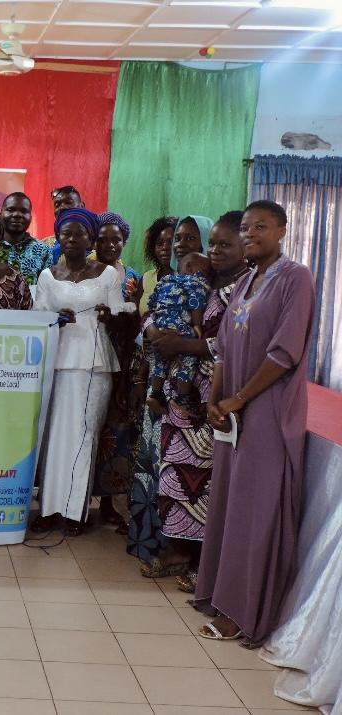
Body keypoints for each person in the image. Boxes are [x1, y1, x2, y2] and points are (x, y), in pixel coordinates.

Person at [194, 201, 315, 647]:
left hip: (267, 409)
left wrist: (240, 399)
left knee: (254, 509)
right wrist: (215, 399)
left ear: (282, 231)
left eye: (260, 227)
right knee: (227, 502)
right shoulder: (244, 281)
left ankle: (245, 613)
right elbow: (224, 348)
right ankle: (219, 595)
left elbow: (284, 353)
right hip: (232, 410)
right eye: (245, 228)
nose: (250, 235)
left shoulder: (295, 278)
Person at [143, 211, 249, 593]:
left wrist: (184, 344)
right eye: (215, 244)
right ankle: (176, 549)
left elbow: (237, 343)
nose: (216, 251)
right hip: (177, 395)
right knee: (174, 473)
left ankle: (205, 559)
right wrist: (154, 328)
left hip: (213, 399)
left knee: (206, 481)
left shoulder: (245, 289)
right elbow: (158, 312)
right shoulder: (197, 278)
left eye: (224, 244)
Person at [30, 207, 135, 536]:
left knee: (83, 435)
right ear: (58, 238)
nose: (72, 239)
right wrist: (53, 317)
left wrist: (110, 314)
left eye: (79, 234)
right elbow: (36, 316)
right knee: (53, 435)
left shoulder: (107, 275)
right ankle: (48, 508)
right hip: (57, 359)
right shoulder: (47, 276)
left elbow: (124, 310)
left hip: (94, 362)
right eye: (66, 234)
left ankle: (76, 512)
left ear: (91, 238)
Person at [131, 213, 212, 576]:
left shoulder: (218, 286)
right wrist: (151, 332)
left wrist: (181, 341)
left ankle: (196, 559)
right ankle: (159, 545)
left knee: (195, 482)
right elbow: (147, 320)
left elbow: (216, 336)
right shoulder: (164, 281)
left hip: (201, 395)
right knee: (163, 474)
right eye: (178, 237)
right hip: (163, 390)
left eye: (190, 238)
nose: (180, 244)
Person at [126, 216, 180, 564]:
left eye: (173, 241)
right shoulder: (146, 280)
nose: (167, 248)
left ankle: (171, 541)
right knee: (144, 456)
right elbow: (143, 325)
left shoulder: (193, 280)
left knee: (169, 461)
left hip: (177, 379)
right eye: (160, 242)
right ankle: (143, 537)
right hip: (145, 370)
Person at [92, 211, 142, 530]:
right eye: (103, 239)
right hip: (92, 355)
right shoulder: (86, 272)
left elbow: (137, 320)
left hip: (123, 362)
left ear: (124, 242)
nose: (110, 245)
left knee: (117, 432)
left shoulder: (133, 275)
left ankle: (110, 502)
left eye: (116, 240)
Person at [145, 252, 212, 412]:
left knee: (160, 361)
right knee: (189, 359)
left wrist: (156, 319)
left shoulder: (165, 280)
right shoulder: (196, 281)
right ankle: (183, 397)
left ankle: (155, 392)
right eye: (205, 272)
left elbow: (151, 302)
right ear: (190, 268)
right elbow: (196, 303)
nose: (206, 276)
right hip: (180, 328)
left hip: (160, 325)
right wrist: (196, 325)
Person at [0, 193, 51, 287]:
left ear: (30, 218)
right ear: (0, 214)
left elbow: (47, 290)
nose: (17, 215)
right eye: (10, 210)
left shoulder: (43, 250)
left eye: (24, 211)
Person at [42, 185, 86, 262]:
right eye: (57, 205)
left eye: (68, 202)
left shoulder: (97, 243)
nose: (62, 207)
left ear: (82, 206)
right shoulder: (44, 246)